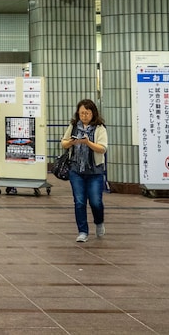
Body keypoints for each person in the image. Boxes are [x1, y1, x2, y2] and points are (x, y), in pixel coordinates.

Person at [60, 99, 108, 243]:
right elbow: (63, 143)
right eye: (82, 113)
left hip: (95, 171)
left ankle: (99, 222)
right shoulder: (74, 126)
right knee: (79, 202)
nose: (84, 116)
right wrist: (71, 142)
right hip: (76, 170)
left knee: (95, 202)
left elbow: (102, 148)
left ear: (93, 113)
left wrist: (88, 143)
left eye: (87, 113)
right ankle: (82, 231)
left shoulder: (99, 128)